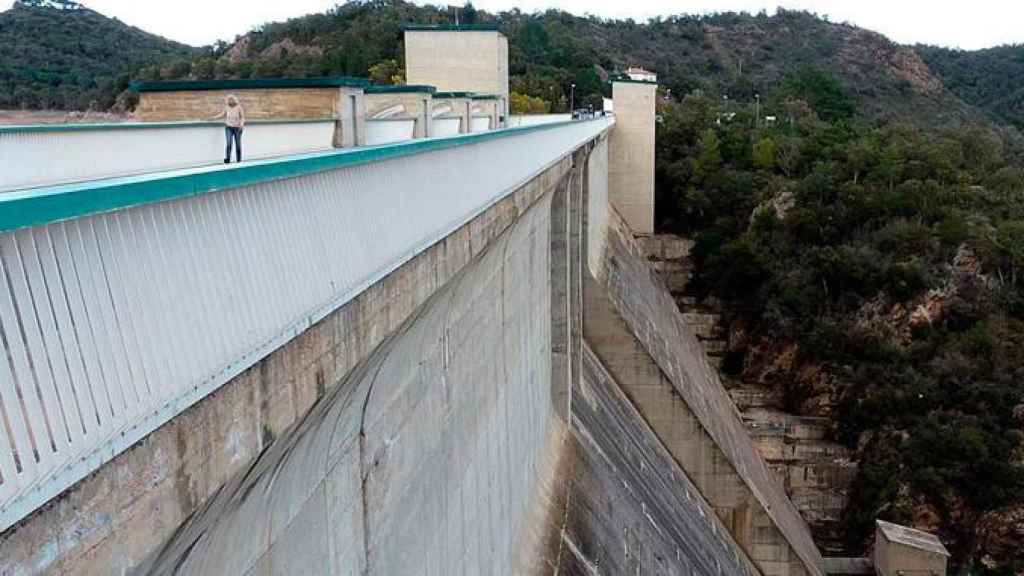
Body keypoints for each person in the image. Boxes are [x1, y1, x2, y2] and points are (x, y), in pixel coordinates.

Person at [211, 95, 245, 163]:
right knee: (229, 143)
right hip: (228, 127)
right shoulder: (227, 107)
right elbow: (222, 114)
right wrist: (214, 117)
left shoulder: (239, 107)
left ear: (235, 100)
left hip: (237, 128)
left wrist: (241, 124)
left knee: (238, 145)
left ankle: (239, 160)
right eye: (229, 100)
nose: (230, 101)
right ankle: (227, 159)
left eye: (231, 100)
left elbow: (242, 117)